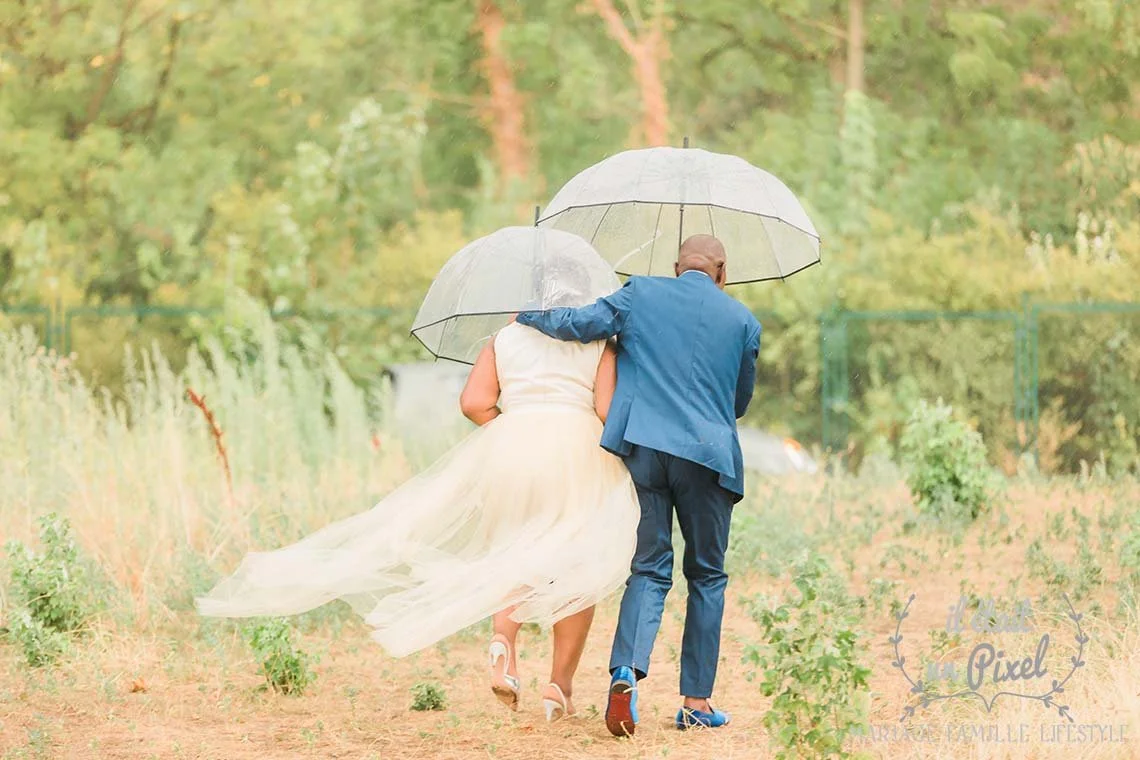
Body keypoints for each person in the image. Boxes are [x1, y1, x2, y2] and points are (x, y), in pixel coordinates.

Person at [196, 265, 640, 723]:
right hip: (576, 450)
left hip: (512, 451)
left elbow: (473, 402)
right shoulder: (596, 341)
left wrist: (508, 432)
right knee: (576, 568)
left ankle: (502, 643)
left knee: (514, 552)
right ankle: (558, 687)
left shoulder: (506, 337)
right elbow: (607, 408)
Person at [517, 234, 762, 734]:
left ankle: (626, 670)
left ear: (677, 267)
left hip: (646, 452)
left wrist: (529, 316)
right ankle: (696, 701)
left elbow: (580, 324)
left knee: (648, 568)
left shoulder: (641, 293)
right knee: (707, 575)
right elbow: (738, 404)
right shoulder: (743, 322)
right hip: (708, 460)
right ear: (722, 271)